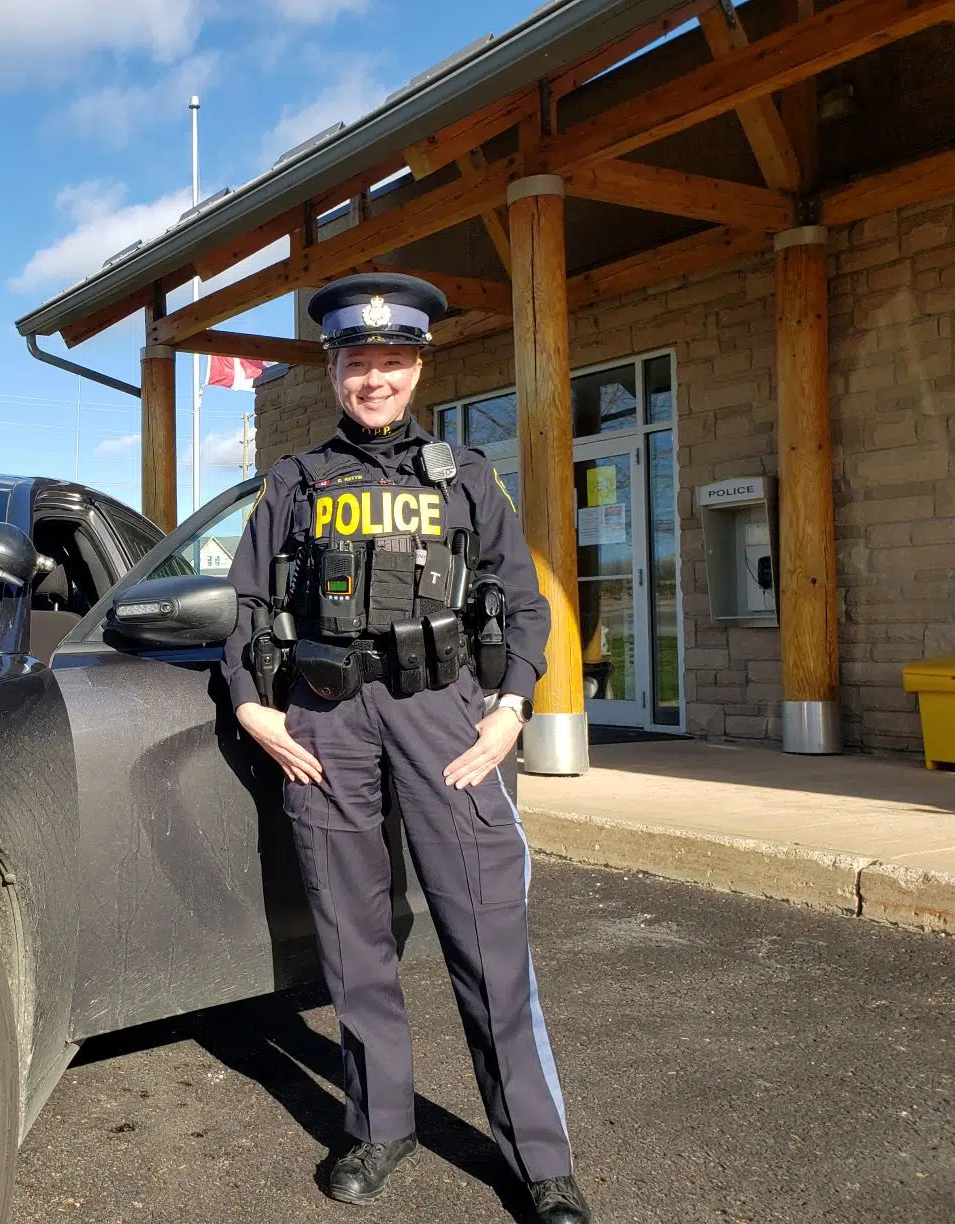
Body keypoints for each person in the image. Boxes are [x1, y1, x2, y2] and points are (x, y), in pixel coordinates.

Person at [221, 273, 594, 1224]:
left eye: (391, 361)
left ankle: (537, 1158)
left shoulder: (468, 477)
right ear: (335, 371)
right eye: (358, 362)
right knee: (354, 939)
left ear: (417, 367)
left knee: (488, 937)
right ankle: (381, 1125)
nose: (374, 379)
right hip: (326, 719)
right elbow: (250, 606)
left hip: (445, 716)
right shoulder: (294, 484)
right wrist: (254, 707)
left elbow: (524, 600)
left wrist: (512, 708)